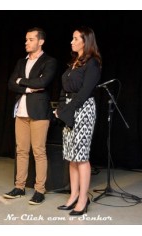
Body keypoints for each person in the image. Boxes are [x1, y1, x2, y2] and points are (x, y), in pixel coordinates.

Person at [5, 27, 57, 205]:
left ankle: (39, 190)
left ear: (40, 41)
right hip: (21, 111)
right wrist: (27, 87)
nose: (26, 42)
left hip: (39, 111)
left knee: (39, 151)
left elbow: (43, 82)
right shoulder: (21, 62)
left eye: (30, 39)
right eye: (26, 39)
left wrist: (21, 81)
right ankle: (19, 187)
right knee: (21, 150)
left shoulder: (49, 61)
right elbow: (11, 83)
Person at [54, 26, 102, 215]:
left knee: (81, 157)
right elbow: (64, 88)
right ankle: (73, 195)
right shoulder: (74, 63)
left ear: (85, 41)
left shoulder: (93, 63)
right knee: (71, 157)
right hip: (68, 109)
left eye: (75, 38)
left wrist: (67, 110)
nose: (71, 42)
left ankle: (83, 199)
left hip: (83, 110)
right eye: (72, 38)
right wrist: (59, 108)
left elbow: (83, 93)